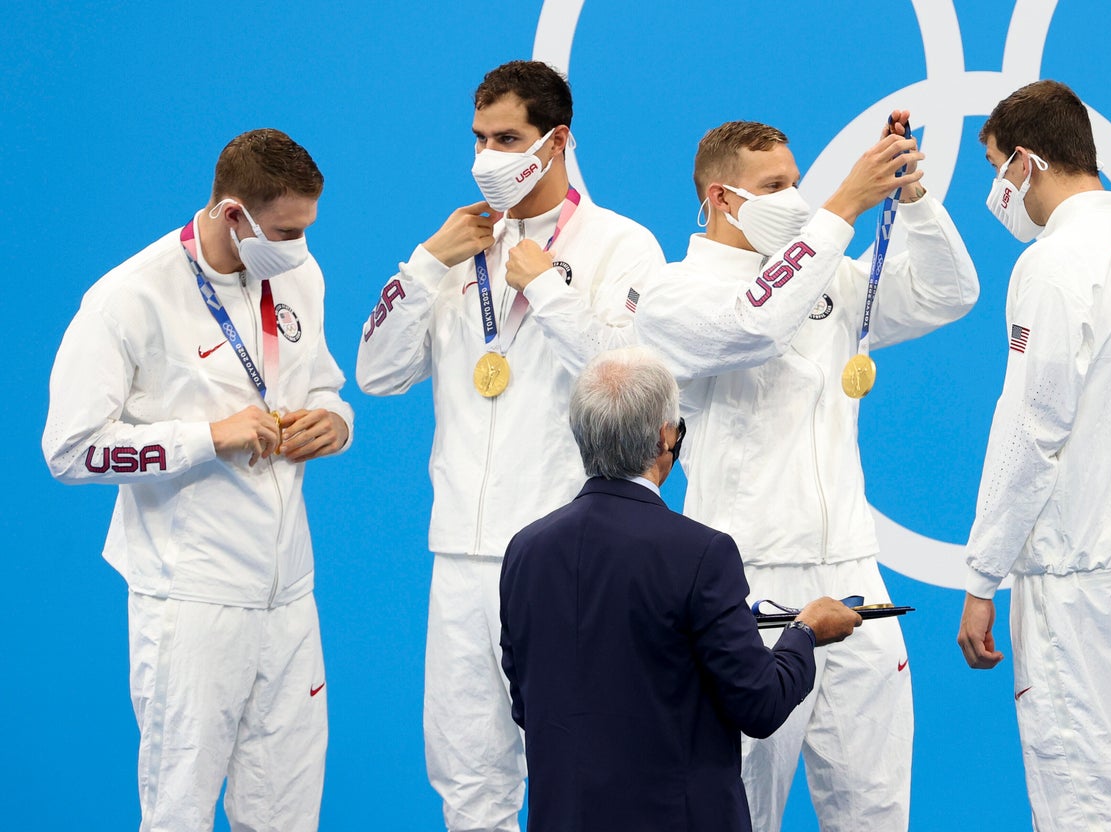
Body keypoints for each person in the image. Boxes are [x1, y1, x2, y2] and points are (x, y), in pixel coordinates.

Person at [634, 118, 980, 831]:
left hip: (854, 572)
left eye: (797, 181)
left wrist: (912, 200)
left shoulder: (831, 279)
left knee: (877, 812)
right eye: (773, 187)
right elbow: (753, 326)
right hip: (745, 586)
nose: (793, 197)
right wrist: (840, 208)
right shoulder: (671, 293)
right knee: (742, 813)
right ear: (722, 198)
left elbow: (950, 295)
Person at [355, 60, 664, 831]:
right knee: (468, 779)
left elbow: (631, 381)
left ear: (556, 141)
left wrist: (547, 286)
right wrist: (427, 263)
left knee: (585, 769)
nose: (488, 156)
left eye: (508, 138)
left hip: (570, 551)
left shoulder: (623, 244)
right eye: (479, 139)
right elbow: (377, 374)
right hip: (461, 552)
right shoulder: (458, 251)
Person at [42, 128, 353, 831]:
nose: (299, 246)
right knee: (180, 814)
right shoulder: (128, 299)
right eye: (286, 230)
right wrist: (206, 439)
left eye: (307, 229)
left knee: (286, 815)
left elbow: (327, 385)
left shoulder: (299, 275)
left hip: (289, 595)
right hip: (192, 599)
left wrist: (336, 424)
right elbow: (69, 450)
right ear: (234, 214)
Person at [956, 80, 1111, 831]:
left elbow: (1033, 425)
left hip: (1072, 582)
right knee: (1110, 794)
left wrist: (981, 574)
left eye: (999, 169)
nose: (1000, 192)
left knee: (1082, 810)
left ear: (1028, 161)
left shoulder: (1054, 261)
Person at [499, 346, 862, 832]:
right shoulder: (700, 553)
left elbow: (528, 702)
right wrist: (805, 632)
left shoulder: (525, 551)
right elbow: (761, 704)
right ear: (666, 438)